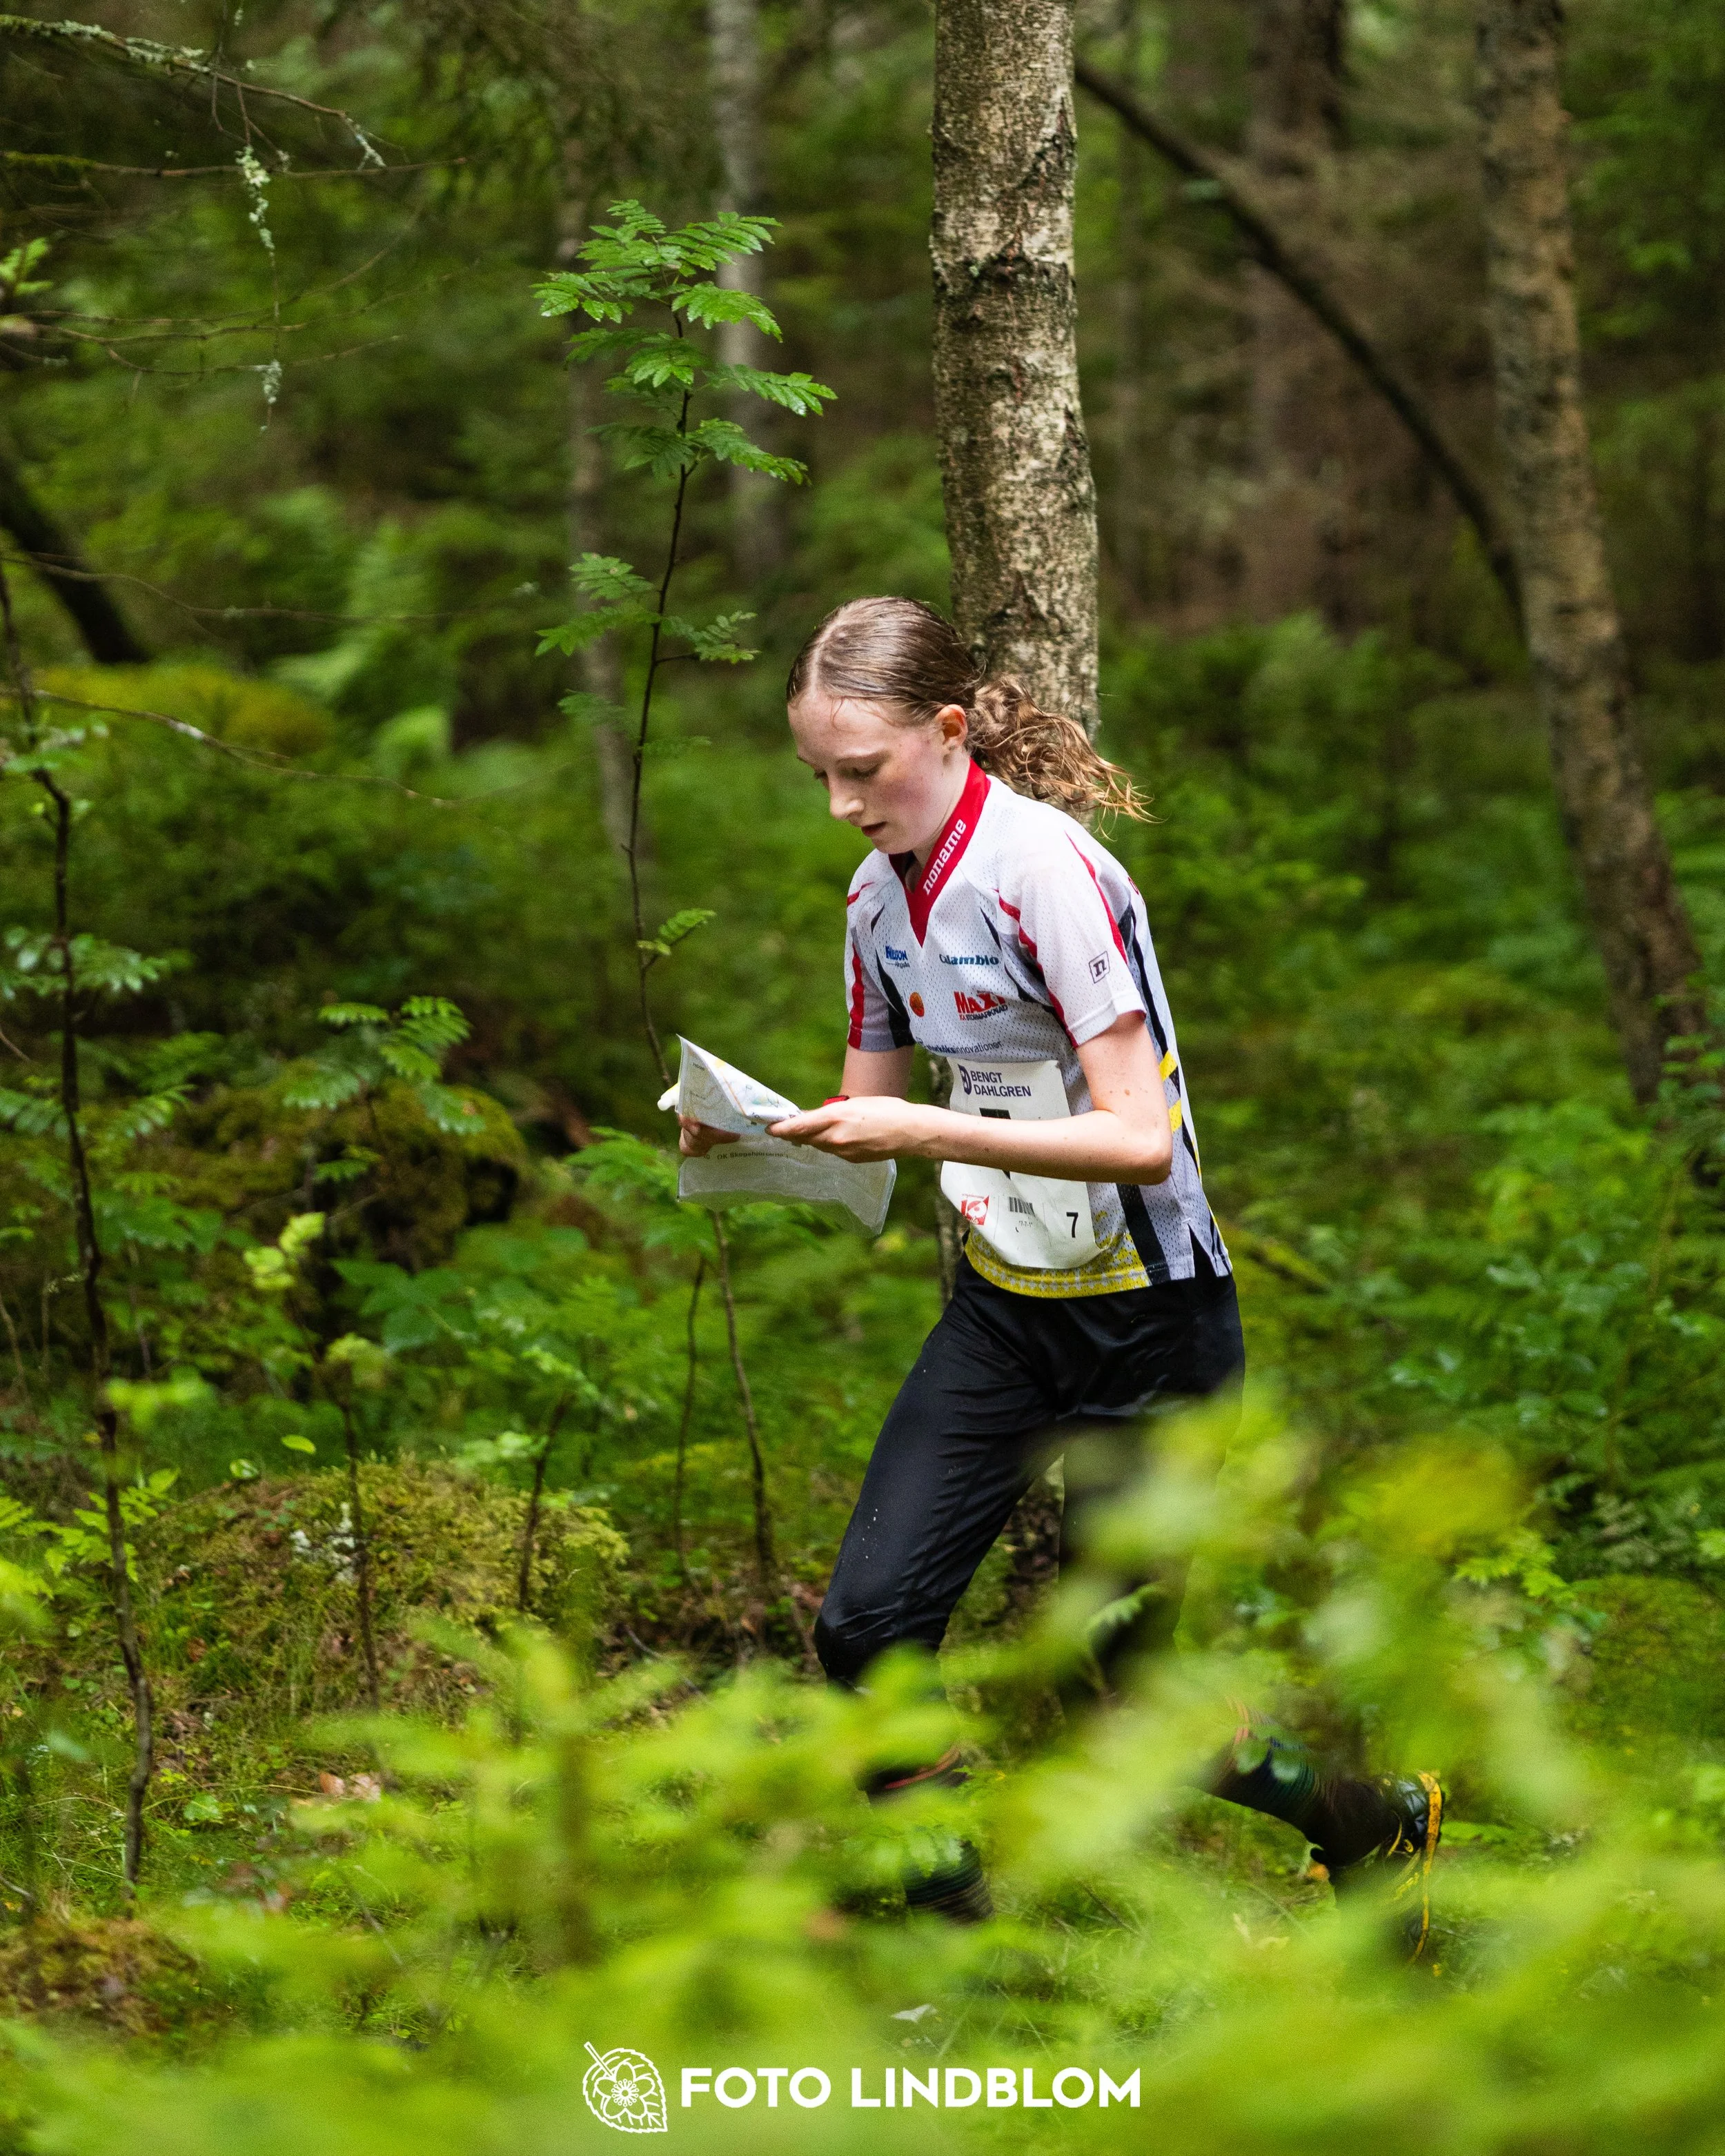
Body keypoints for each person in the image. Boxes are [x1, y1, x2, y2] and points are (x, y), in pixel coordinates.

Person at [680, 597, 1441, 1939]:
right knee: (864, 1626)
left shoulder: (1050, 872)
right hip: (1001, 1320)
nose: (843, 804)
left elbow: (1139, 1138)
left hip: (1151, 1330)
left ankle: (1372, 1819)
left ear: (950, 728)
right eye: (819, 775)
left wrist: (922, 1124)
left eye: (864, 768)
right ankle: (948, 1912)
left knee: (1129, 1694)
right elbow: (867, 1141)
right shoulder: (873, 903)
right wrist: (755, 1135)